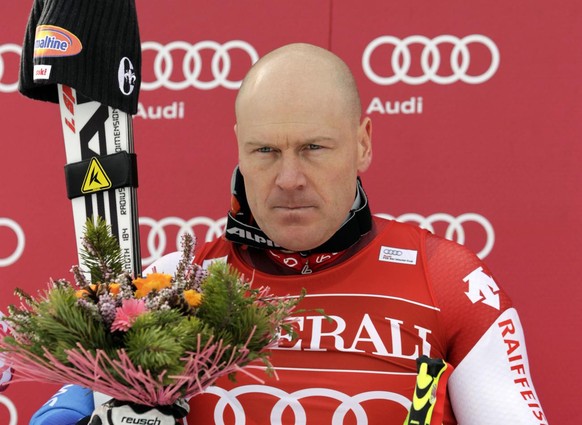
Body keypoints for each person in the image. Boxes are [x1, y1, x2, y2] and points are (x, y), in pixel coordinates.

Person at [31, 43, 547, 424]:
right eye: (266, 151)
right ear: (239, 148)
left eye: (314, 148)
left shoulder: (448, 282)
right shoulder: (171, 287)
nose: (290, 178)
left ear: (362, 143)